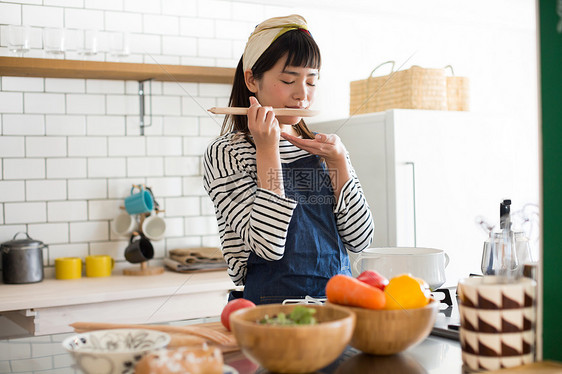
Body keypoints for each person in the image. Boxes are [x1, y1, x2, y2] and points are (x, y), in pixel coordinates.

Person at [203, 14, 374, 305]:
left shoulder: (324, 149)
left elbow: (360, 240)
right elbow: (267, 246)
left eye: (311, 81)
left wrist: (340, 164)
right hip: (268, 314)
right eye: (288, 80)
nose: (302, 95)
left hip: (339, 308)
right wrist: (267, 150)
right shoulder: (226, 153)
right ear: (251, 79)